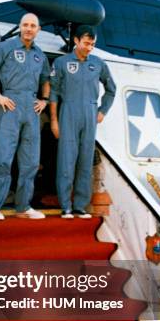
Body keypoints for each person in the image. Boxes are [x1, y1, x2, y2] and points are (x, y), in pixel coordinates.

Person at [0, 13, 50, 220]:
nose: (29, 28)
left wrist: (44, 99)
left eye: (33, 26)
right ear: (20, 27)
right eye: (25, 25)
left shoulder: (40, 55)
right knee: (3, 156)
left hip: (32, 108)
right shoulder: (6, 47)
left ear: (38, 30)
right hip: (10, 104)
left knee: (30, 160)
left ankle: (23, 206)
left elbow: (46, 78)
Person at [49, 25, 116, 218]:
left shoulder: (98, 64)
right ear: (76, 41)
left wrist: (103, 110)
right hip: (68, 111)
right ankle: (66, 206)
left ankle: (79, 205)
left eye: (92, 44)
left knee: (85, 162)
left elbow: (111, 89)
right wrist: (54, 120)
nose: (89, 48)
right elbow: (53, 92)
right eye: (86, 43)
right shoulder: (62, 63)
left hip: (90, 112)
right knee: (66, 161)